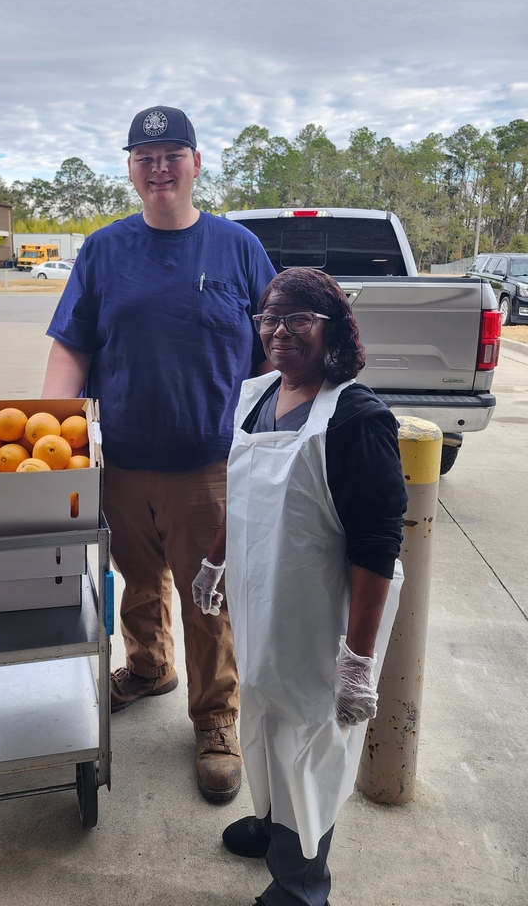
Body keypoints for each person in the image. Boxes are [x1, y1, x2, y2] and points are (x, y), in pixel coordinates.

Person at [41, 105, 276, 802]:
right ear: (132, 170)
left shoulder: (236, 248)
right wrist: (58, 436)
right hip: (122, 460)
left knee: (209, 597)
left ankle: (215, 719)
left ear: (197, 164)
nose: (159, 167)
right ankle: (149, 669)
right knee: (138, 579)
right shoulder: (105, 249)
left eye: (173, 153)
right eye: (146, 157)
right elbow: (73, 344)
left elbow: (276, 346)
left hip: (209, 465)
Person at [193, 267, 407, 904]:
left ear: (333, 329)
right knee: (260, 711)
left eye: (298, 320)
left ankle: (303, 880)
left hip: (318, 618)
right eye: (270, 318)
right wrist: (215, 561)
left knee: (310, 738)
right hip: (261, 605)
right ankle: (274, 823)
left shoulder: (355, 418)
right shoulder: (259, 394)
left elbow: (376, 545)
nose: (280, 331)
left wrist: (358, 660)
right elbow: (243, 491)